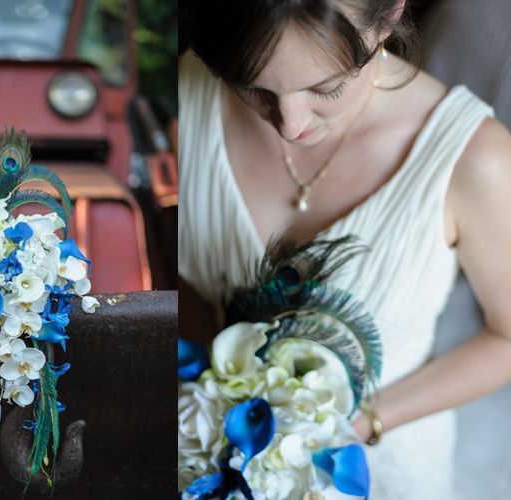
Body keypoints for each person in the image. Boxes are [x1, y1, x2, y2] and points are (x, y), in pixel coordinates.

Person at [178, 1, 511, 498]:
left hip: (387, 467)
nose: (289, 124)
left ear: (389, 15)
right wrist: (218, 392)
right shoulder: (188, 89)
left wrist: (351, 426)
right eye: (251, 86)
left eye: (326, 87)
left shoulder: (478, 159)